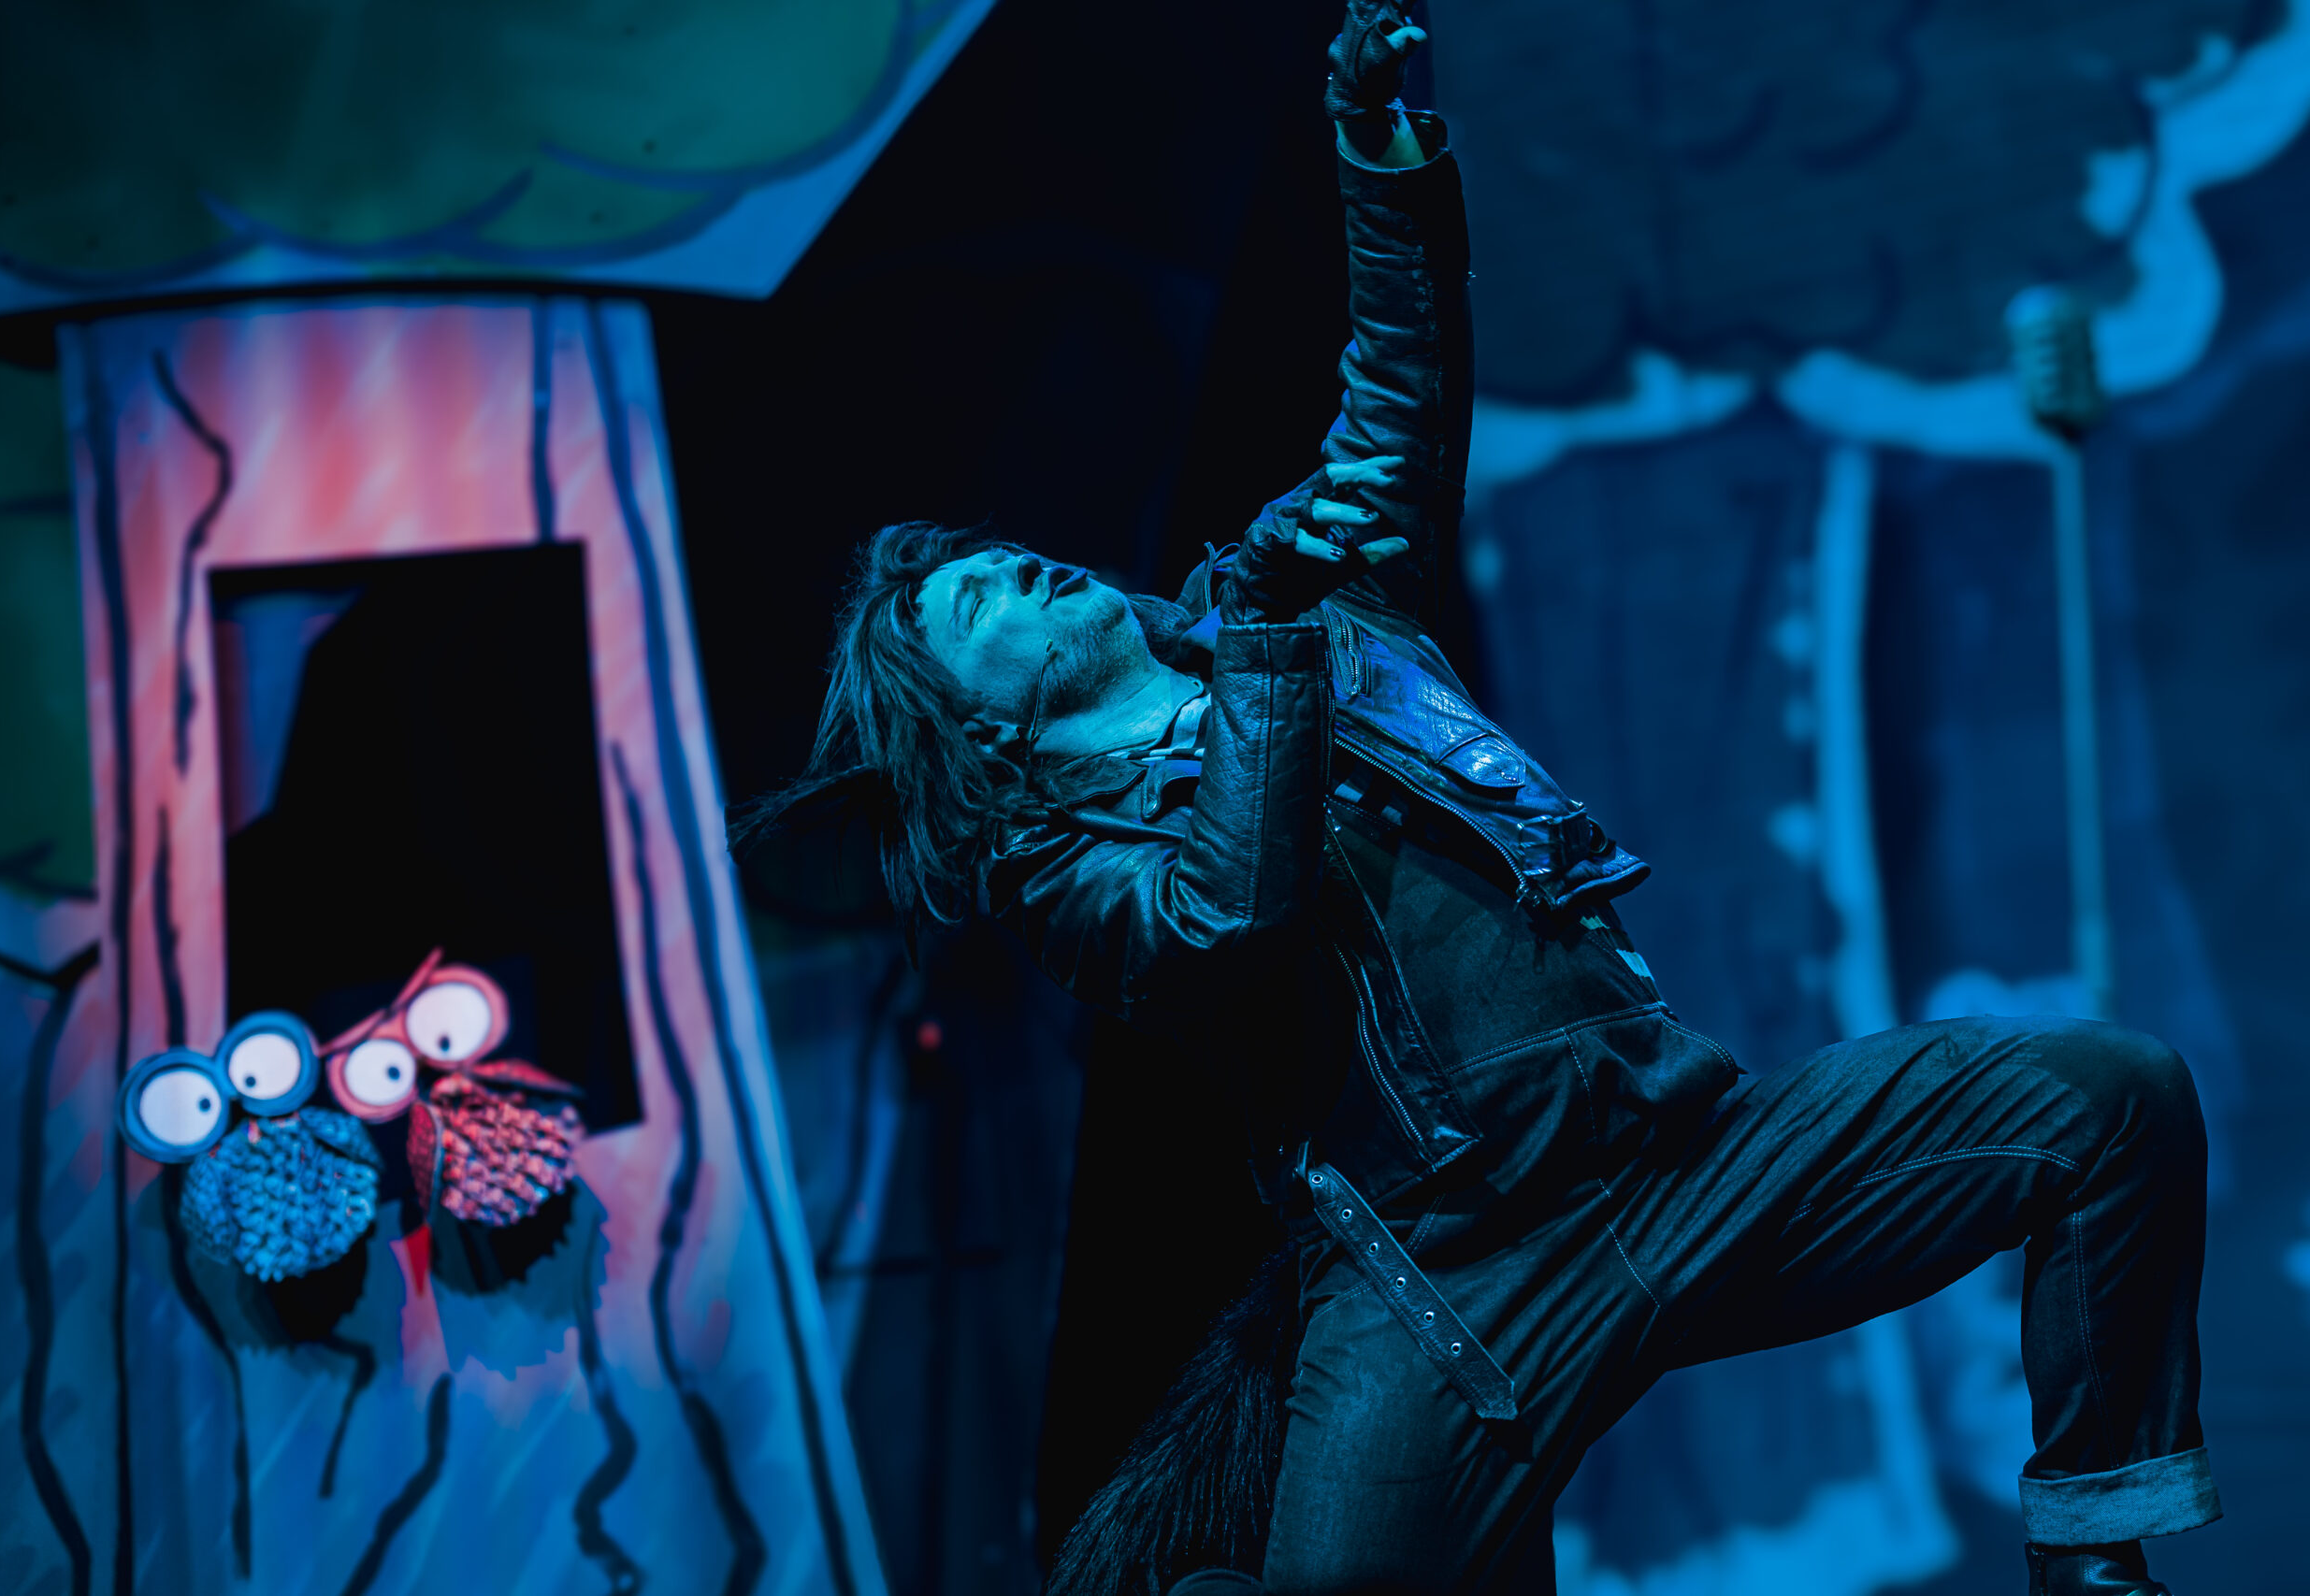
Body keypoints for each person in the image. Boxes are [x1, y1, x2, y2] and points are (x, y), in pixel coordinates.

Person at [741, 6, 2219, 1591]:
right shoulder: (1067, 871)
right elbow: (1231, 916)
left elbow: (1398, 390)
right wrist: (1264, 637)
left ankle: (2092, 1566)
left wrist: (1377, 155)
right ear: (980, 736)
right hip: (1451, 1279)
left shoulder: (1326, 611)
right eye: (973, 605)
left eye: (999, 555)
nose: (1017, 566)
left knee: (2106, 1097)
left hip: (1682, 1152)